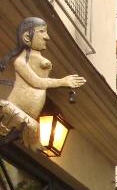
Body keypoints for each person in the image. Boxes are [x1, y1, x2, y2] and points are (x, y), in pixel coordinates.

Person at [0, 17, 86, 150]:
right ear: (27, 37)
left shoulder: (37, 58)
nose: (47, 37)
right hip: (15, 112)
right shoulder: (20, 62)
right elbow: (36, 82)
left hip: (29, 119)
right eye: (42, 32)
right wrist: (62, 81)